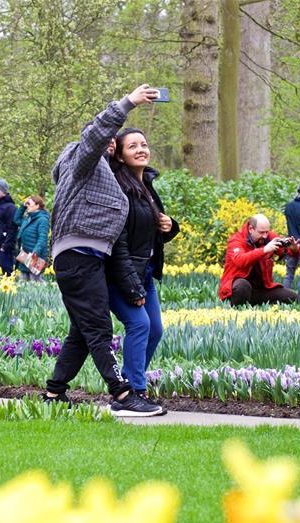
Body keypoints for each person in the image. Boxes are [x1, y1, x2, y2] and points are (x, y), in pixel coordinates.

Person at [43, 84, 163, 418]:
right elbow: (97, 135)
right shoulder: (83, 160)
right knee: (99, 329)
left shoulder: (100, 172)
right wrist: (128, 103)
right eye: (108, 139)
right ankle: (123, 394)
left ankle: (54, 392)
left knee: (82, 331)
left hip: (87, 257)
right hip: (79, 254)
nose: (111, 143)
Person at [106, 127, 180, 413]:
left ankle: (128, 388)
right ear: (121, 156)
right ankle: (132, 392)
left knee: (155, 330)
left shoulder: (146, 186)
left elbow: (148, 235)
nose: (140, 149)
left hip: (144, 271)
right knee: (139, 325)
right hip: (121, 274)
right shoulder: (120, 188)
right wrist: (132, 287)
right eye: (132, 146)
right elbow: (119, 242)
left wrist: (170, 227)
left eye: (144, 145)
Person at [219, 214, 300, 307]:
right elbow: (240, 260)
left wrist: (295, 249)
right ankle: (236, 312)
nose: (265, 236)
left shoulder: (268, 237)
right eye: (261, 232)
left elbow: (289, 251)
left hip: (261, 289)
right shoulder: (236, 240)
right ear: (251, 229)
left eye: (267, 232)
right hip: (239, 288)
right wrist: (264, 250)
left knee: (292, 298)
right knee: (242, 286)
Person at [13, 195, 50, 282]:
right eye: (27, 204)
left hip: (36, 257)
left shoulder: (42, 220)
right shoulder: (28, 219)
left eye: (29, 204)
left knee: (36, 285)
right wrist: (23, 205)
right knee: (24, 285)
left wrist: (35, 252)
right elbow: (16, 219)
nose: (27, 206)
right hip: (25, 257)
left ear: (37, 206)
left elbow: (42, 238)